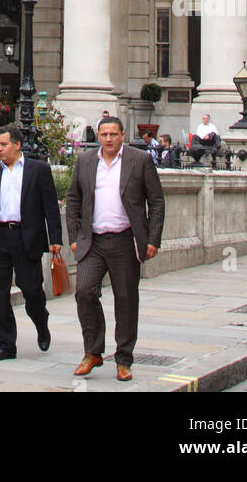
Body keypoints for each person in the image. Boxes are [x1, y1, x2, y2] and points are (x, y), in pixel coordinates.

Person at [66, 115, 165, 382]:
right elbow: (73, 199)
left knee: (126, 300)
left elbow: (156, 201)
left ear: (122, 136)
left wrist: (153, 240)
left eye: (113, 134)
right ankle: (93, 352)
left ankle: (123, 359)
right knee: (84, 292)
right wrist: (74, 236)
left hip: (124, 240)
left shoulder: (139, 160)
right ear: (97, 136)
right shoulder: (86, 161)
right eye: (104, 134)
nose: (108, 139)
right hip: (93, 241)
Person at [0, 124, 62, 361]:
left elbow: (50, 207)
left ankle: (41, 321)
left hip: (25, 237)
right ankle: (6, 345)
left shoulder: (38, 170)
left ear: (17, 145)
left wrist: (56, 240)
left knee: (31, 289)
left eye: (4, 144)